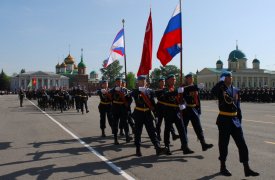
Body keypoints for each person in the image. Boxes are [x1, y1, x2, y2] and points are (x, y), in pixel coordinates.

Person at [211, 71, 259, 177]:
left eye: (231, 76)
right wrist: (220, 83)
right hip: (224, 119)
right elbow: (213, 92)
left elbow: (238, 106)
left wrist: (239, 121)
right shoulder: (220, 89)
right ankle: (222, 167)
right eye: (228, 76)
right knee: (224, 144)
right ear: (223, 78)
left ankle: (247, 168)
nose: (230, 78)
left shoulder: (236, 89)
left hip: (235, 120)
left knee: (242, 145)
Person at [130, 75, 166, 156]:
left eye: (144, 81)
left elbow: (153, 103)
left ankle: (157, 147)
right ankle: (138, 149)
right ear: (138, 82)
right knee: (138, 132)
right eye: (140, 81)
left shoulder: (150, 91)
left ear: (146, 82)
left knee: (152, 131)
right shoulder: (135, 91)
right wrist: (140, 90)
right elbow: (132, 94)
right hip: (139, 113)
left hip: (148, 113)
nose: (142, 82)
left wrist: (156, 114)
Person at [158, 74, 194, 155]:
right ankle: (167, 147)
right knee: (167, 130)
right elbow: (166, 95)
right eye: (171, 79)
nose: (173, 80)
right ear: (167, 80)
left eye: (174, 79)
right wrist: (176, 91)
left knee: (182, 130)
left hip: (177, 111)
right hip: (168, 111)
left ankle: (185, 147)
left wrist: (183, 103)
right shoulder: (165, 89)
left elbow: (182, 99)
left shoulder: (176, 88)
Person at [182, 73, 213, 151]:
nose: (192, 79)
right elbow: (187, 90)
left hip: (194, 109)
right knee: (184, 128)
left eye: (192, 78)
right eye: (190, 78)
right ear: (186, 79)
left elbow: (197, 98)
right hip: (186, 109)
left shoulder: (195, 86)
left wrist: (198, 109)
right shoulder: (183, 87)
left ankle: (203, 144)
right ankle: (184, 145)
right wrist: (196, 87)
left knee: (198, 127)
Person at [155, 77, 179, 141]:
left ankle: (173, 134)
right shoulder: (158, 90)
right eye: (161, 81)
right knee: (159, 123)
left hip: (166, 108)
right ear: (159, 83)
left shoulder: (166, 89)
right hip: (160, 107)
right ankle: (158, 135)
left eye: (164, 81)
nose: (163, 83)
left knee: (169, 122)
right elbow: (160, 96)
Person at [109, 77, 132, 145]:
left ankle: (127, 136)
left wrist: (128, 104)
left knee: (125, 122)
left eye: (120, 82)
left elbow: (129, 98)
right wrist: (113, 92)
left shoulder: (125, 90)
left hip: (123, 107)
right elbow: (110, 98)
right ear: (115, 82)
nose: (119, 83)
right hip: (115, 107)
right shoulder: (112, 90)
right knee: (115, 123)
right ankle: (115, 139)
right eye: (118, 81)